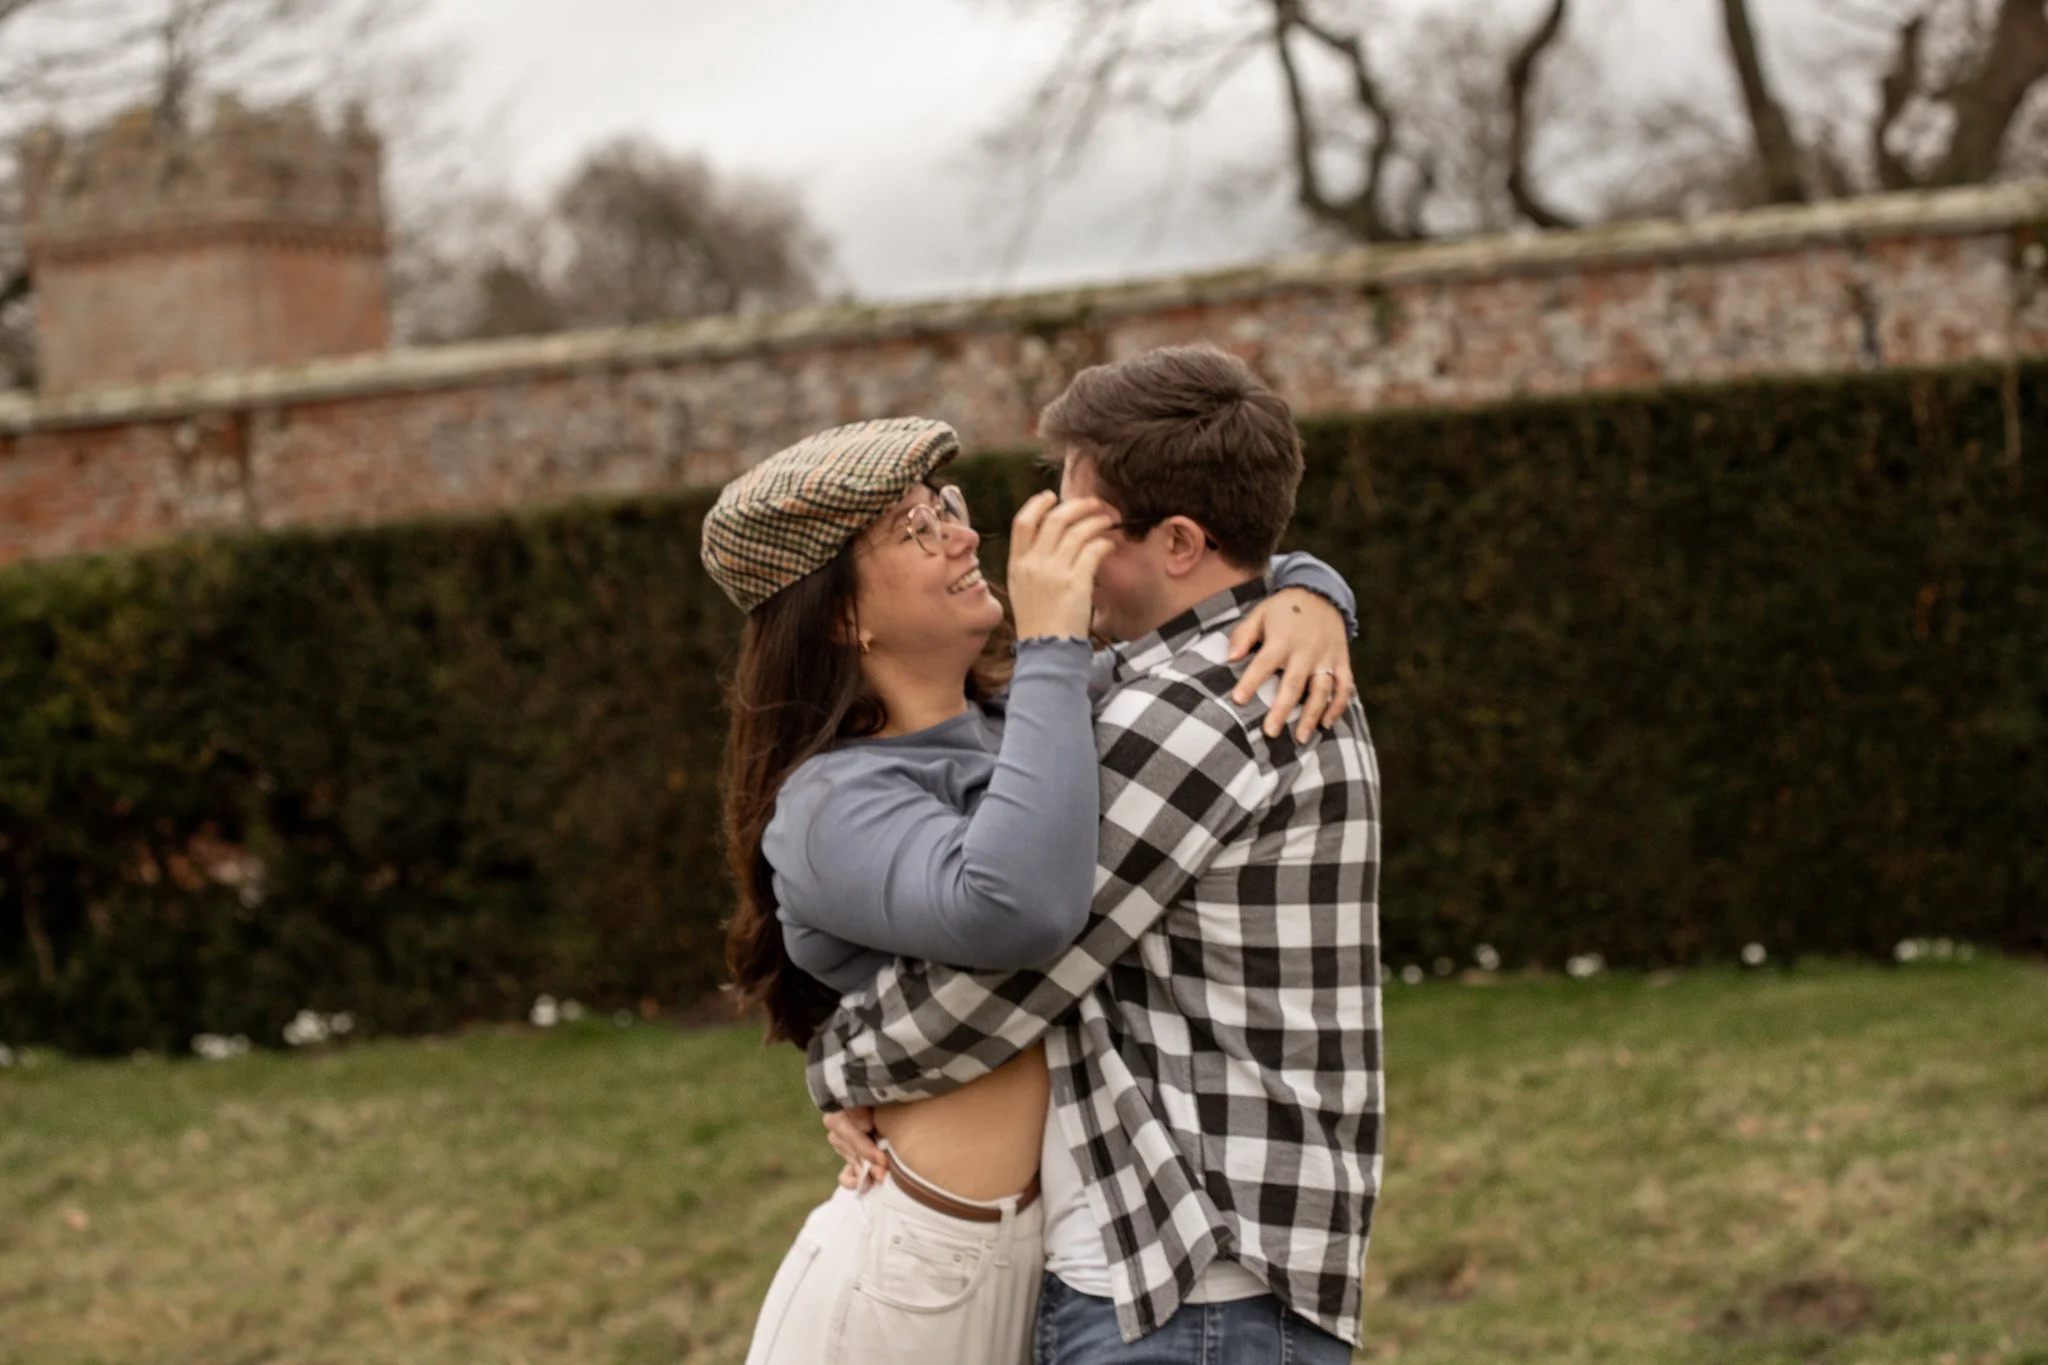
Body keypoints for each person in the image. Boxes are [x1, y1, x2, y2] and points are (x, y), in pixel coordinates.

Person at [697, 411, 1360, 1365]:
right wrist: (1049, 642)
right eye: (915, 530)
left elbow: (1212, 602)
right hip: (907, 1281)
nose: (967, 536)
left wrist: (1311, 594)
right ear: (844, 615)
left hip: (1055, 1270)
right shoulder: (831, 803)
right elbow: (1019, 906)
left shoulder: (1028, 713)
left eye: (948, 506)